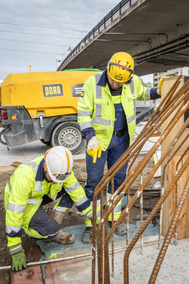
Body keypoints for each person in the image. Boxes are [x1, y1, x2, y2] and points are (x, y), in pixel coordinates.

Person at [77, 51, 164, 243]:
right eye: (114, 80)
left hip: (122, 139)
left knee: (119, 180)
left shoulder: (132, 81)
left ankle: (112, 219)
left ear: (129, 77)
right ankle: (92, 223)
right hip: (97, 141)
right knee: (94, 180)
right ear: (108, 69)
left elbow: (144, 93)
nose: (116, 84)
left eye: (121, 82)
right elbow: (83, 113)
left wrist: (159, 89)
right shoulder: (93, 84)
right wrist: (90, 136)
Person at [4, 146, 93, 272]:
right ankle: (30, 229)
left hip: (39, 196)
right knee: (51, 231)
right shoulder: (25, 176)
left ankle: (52, 219)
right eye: (53, 178)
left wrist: (90, 214)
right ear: (45, 166)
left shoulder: (60, 170)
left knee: (71, 191)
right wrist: (15, 248)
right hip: (22, 205)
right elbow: (14, 212)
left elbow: (76, 191)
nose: (57, 182)